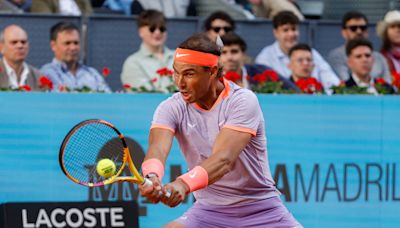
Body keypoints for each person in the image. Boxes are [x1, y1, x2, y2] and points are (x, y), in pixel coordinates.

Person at [138, 33, 302, 227]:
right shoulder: (170, 107)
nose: (180, 83)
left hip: (261, 209)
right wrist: (152, 177)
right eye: (176, 72)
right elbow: (157, 148)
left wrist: (183, 184)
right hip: (209, 211)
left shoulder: (242, 101)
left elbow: (223, 160)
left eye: (189, 74)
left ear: (212, 71)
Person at [255, 11, 340, 94]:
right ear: (276, 32)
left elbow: (332, 82)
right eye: (285, 30)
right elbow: (263, 89)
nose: (291, 34)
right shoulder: (265, 58)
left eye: (294, 29)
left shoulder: (311, 53)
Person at [41, 22, 110, 92]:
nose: (73, 47)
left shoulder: (93, 74)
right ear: (53, 46)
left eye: (76, 43)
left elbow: (109, 99)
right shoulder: (46, 74)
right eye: (67, 43)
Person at [220, 32, 299, 92]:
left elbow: (293, 89)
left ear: (243, 54)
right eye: (224, 52)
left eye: (234, 52)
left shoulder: (261, 70)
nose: (229, 57)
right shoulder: (212, 78)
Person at [327, 11, 391, 83]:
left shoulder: (379, 57)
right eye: (353, 28)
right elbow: (345, 85)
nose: (359, 31)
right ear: (344, 33)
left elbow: (388, 85)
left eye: (362, 28)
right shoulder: (336, 56)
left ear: (367, 31)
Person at [121, 10, 174, 92]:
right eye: (152, 29)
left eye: (162, 29)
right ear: (140, 32)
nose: (157, 32)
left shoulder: (178, 57)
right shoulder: (132, 62)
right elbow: (142, 95)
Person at [0, 25, 42, 90]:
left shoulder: (38, 76)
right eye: (14, 42)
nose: (20, 46)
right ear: (1, 48)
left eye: (23, 42)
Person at [377, 10, 400, 91]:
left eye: (399, 26)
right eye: (393, 27)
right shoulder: (380, 57)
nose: (397, 30)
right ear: (385, 32)